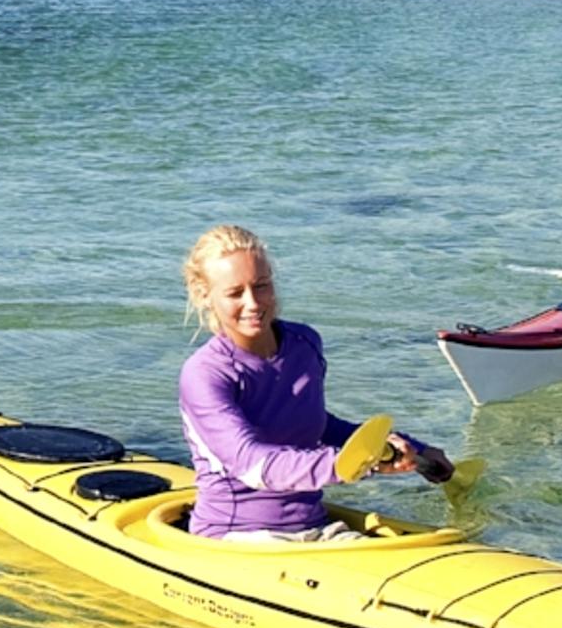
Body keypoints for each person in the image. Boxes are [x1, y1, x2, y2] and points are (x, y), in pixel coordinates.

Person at [178, 224, 443, 542]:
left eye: (261, 286)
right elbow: (255, 466)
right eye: (235, 293)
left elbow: (315, 425)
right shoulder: (206, 374)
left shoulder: (304, 344)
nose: (254, 303)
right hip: (237, 536)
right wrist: (359, 463)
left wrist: (410, 449)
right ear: (204, 295)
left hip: (316, 525)